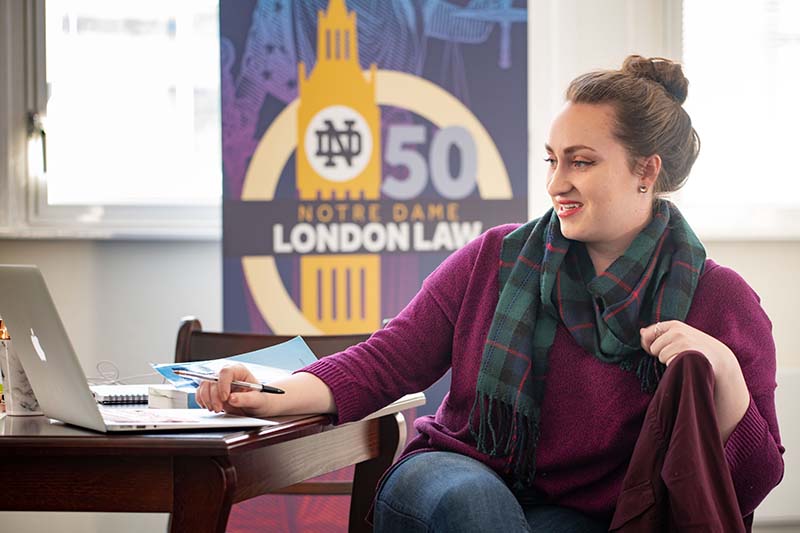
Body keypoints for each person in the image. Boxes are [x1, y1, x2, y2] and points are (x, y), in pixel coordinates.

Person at [196, 55, 784, 532]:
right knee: (472, 504)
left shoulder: (720, 300)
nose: (556, 183)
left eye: (581, 162)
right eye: (552, 161)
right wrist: (268, 394)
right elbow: (385, 361)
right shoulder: (496, 257)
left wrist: (724, 372)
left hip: (579, 513)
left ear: (646, 172)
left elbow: (752, 481)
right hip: (448, 475)